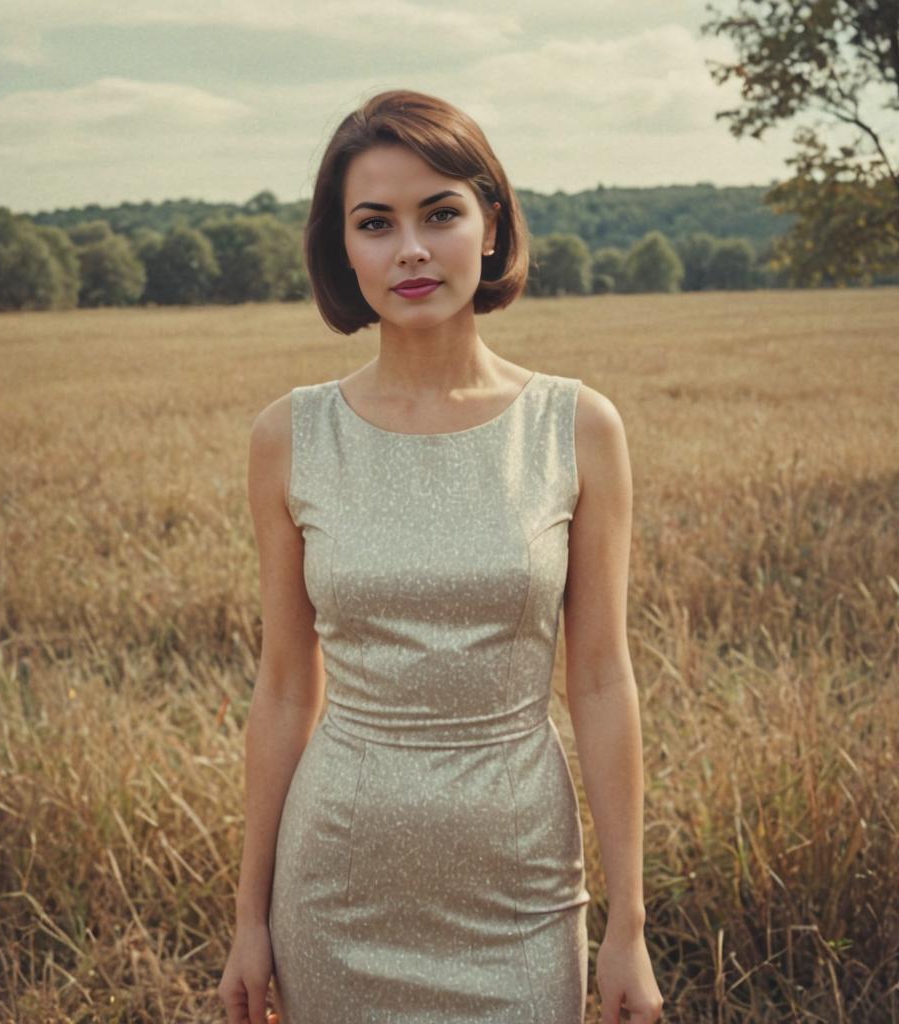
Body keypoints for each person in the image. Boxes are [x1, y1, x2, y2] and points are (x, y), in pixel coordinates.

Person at [217, 88, 663, 1024]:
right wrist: (249, 917)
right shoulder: (288, 437)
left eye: (441, 213)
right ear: (344, 248)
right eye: (375, 223)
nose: (410, 249)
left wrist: (629, 924)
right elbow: (287, 689)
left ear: (491, 225)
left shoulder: (576, 426)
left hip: (523, 889)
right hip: (335, 891)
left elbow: (600, 680)